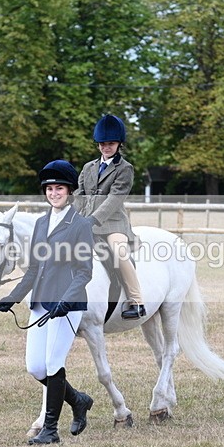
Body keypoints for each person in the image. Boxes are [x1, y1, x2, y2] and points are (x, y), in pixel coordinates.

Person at [0, 159, 95, 445]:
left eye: (59, 188)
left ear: (69, 191)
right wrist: (11, 298)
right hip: (40, 302)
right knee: (35, 367)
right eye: (49, 188)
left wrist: (65, 300)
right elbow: (34, 270)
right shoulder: (40, 224)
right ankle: (79, 400)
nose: (54, 193)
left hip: (67, 306)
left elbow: (85, 272)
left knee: (53, 364)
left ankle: (50, 430)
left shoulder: (80, 225)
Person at [75, 114, 146, 320]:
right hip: (86, 222)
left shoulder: (125, 169)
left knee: (119, 252)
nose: (106, 147)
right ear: (98, 144)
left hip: (113, 225)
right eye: (103, 143)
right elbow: (79, 195)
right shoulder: (88, 167)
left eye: (111, 143)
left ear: (118, 144)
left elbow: (114, 199)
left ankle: (137, 301)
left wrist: (94, 219)